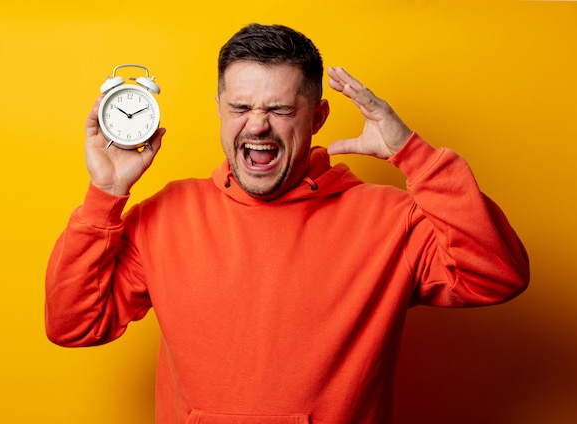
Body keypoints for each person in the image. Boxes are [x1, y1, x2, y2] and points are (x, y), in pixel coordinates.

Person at [45, 23, 529, 424]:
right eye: (240, 108)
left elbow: (498, 274)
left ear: (318, 117)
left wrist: (416, 157)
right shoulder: (167, 214)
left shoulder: (388, 220)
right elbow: (73, 324)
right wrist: (105, 195)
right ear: (219, 110)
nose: (257, 126)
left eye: (278, 110)